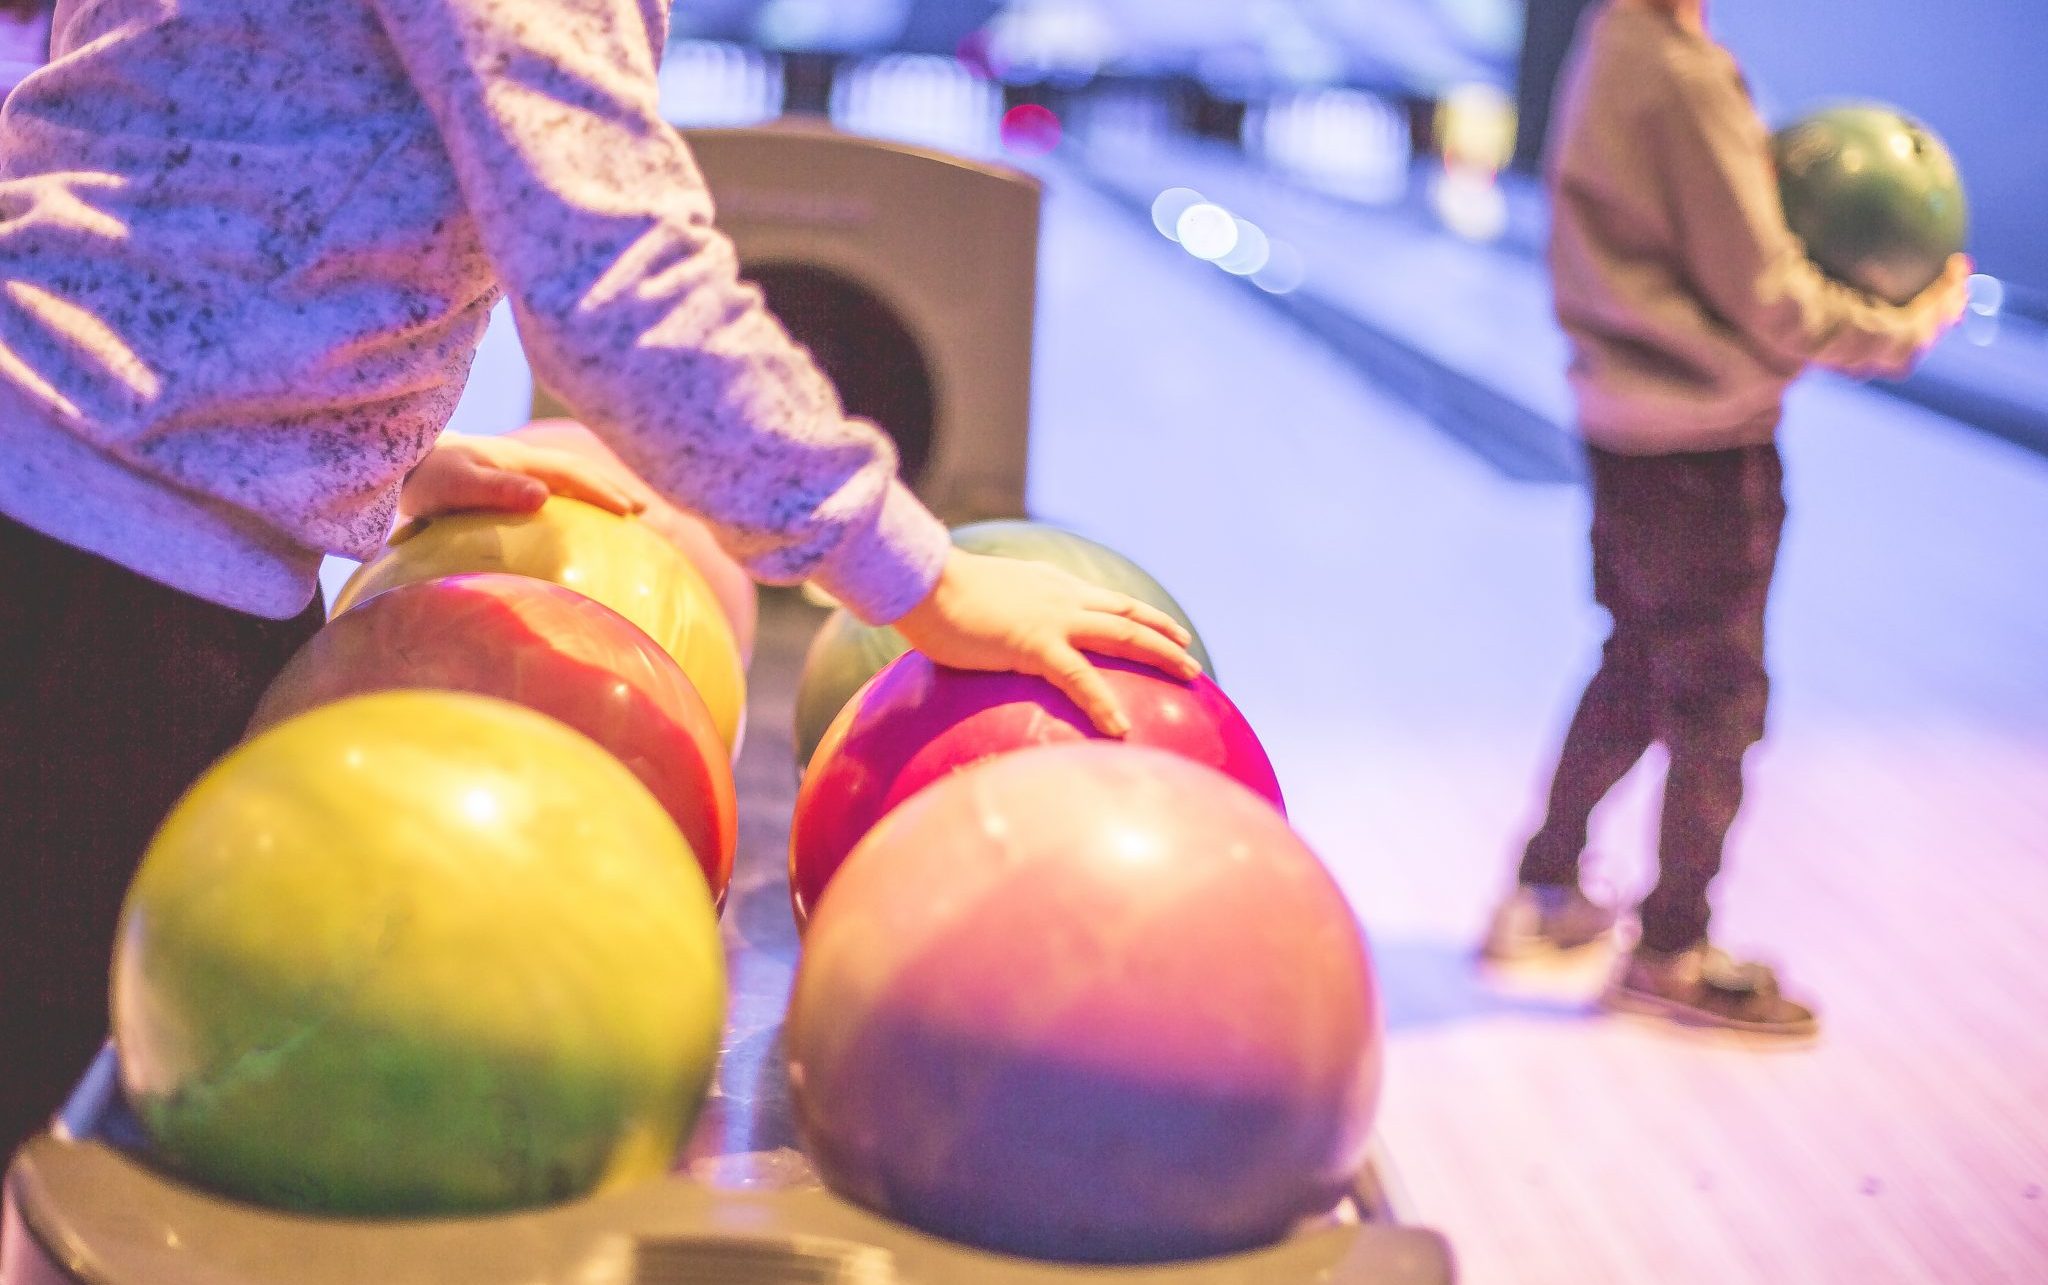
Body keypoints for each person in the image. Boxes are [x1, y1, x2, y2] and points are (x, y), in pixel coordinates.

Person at [0, 0, 1197, 1155]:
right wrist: (921, 579)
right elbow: (616, 281)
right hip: (90, 565)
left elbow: (172, 131)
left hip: (79, 497)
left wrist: (351, 445)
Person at [1478, 0, 1970, 1038]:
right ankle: (1670, 950)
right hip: (1700, 444)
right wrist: (1906, 326)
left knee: (1636, 662)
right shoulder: (1679, 71)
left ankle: (1544, 890)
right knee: (1718, 700)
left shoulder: (1610, 41)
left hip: (1619, 420)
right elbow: (1771, 294)